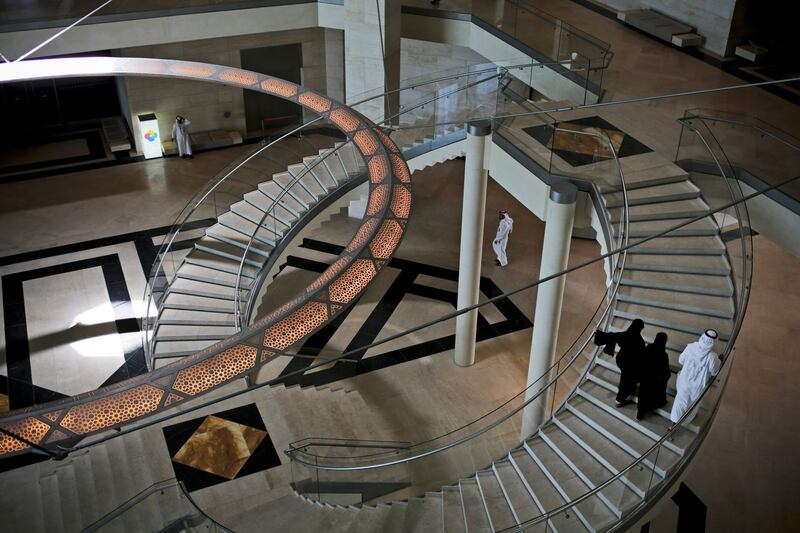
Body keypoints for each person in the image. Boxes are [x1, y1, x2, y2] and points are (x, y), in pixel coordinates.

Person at [669, 329, 722, 429]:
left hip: (684, 381)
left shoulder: (690, 347)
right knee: (692, 404)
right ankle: (685, 421)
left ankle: (673, 422)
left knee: (680, 402)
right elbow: (715, 372)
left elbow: (681, 360)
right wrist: (719, 361)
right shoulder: (712, 357)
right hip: (698, 386)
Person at [594, 318, 645, 407]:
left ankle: (625, 391)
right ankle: (619, 400)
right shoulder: (641, 341)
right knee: (626, 380)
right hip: (630, 364)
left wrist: (597, 332)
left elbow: (611, 336)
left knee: (627, 377)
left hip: (621, 360)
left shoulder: (625, 335)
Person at [636, 332, 671, 421]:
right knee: (655, 391)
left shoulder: (648, 347)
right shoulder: (664, 355)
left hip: (644, 377)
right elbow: (666, 371)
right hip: (654, 379)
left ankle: (639, 414)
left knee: (643, 394)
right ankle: (655, 405)